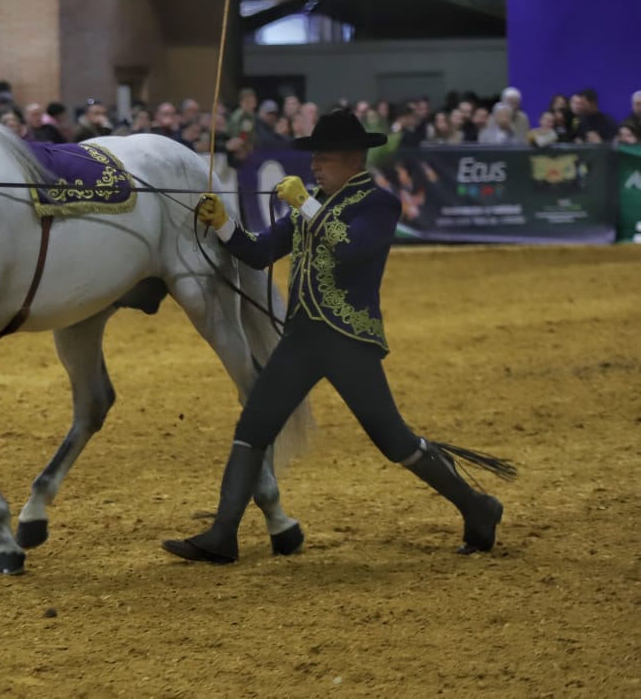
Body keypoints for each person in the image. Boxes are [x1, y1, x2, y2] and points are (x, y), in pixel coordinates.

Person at [163, 108, 513, 565]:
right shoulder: (313, 201)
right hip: (303, 338)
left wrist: (304, 206)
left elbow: (352, 250)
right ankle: (223, 533)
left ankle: (477, 505)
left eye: (323, 158)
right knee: (254, 427)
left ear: (352, 159)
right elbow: (260, 252)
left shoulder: (378, 204)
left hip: (348, 340)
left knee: (394, 441)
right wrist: (223, 223)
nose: (314, 166)